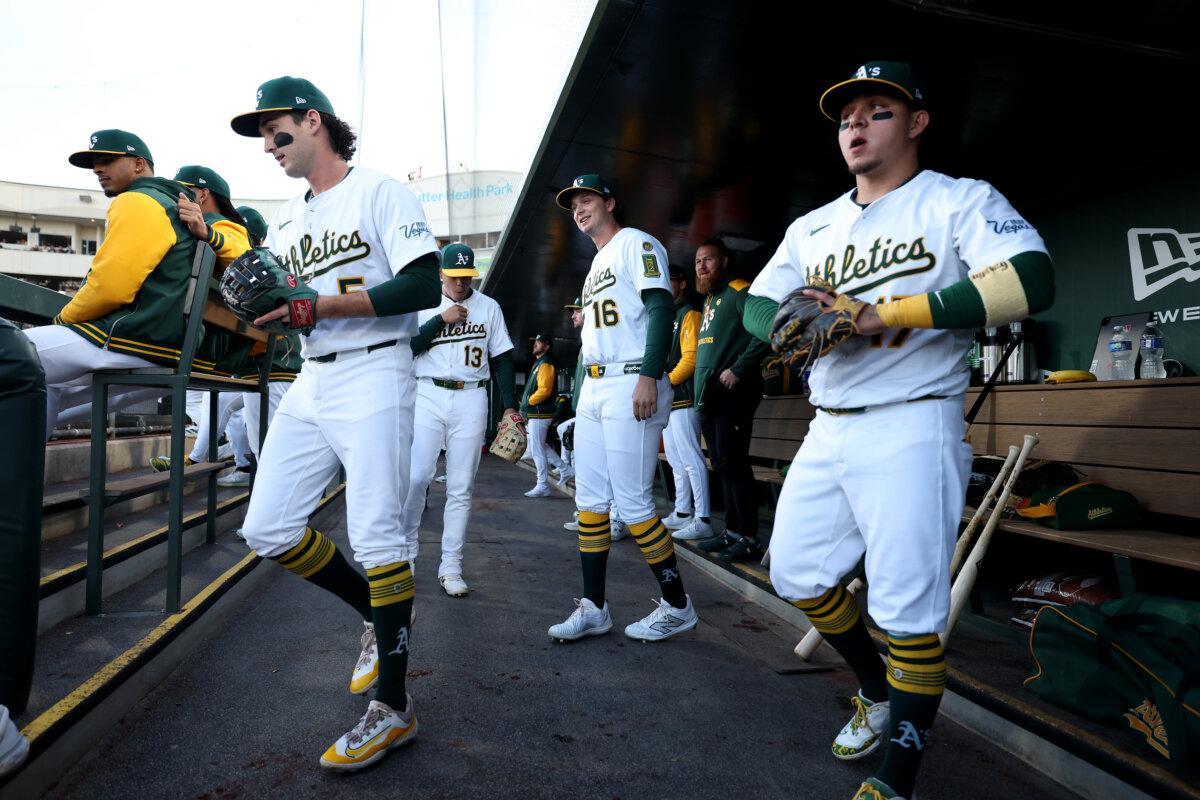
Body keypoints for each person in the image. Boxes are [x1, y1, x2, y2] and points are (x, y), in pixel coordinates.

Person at [743, 62, 1054, 800]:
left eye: (877, 111)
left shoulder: (956, 201)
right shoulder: (812, 225)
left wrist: (880, 313)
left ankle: (898, 779)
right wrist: (794, 323)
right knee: (794, 572)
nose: (855, 125)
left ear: (916, 123)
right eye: (847, 116)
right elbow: (755, 307)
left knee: (907, 611)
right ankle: (877, 691)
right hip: (831, 424)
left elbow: (1031, 280)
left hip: (914, 421)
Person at [229, 75, 441, 771]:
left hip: (376, 369)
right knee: (268, 527)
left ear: (312, 119)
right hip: (314, 377)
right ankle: (370, 619)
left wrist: (312, 307)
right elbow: (289, 304)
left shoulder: (379, 190)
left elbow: (422, 285)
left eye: (275, 128)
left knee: (378, 533)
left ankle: (394, 707)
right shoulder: (286, 221)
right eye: (261, 135)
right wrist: (272, 310)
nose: (268, 143)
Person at [548, 173, 698, 643]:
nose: (579, 208)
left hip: (632, 378)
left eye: (587, 199)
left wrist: (649, 375)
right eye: (573, 204)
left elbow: (660, 308)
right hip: (596, 385)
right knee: (590, 503)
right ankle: (594, 607)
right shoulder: (596, 264)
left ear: (611, 202)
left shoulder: (636, 243)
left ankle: (678, 606)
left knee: (633, 504)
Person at [25, 130, 197, 439]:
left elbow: (111, 288)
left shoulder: (140, 200)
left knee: (11, 352)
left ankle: (18, 478)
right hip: (167, 345)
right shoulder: (174, 203)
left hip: (136, 336)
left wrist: (63, 320)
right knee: (46, 384)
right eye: (94, 164)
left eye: (107, 160)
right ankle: (21, 479)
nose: (97, 170)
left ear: (138, 164)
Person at [400, 243, 519, 598]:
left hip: (471, 396)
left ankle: (450, 565)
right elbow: (409, 348)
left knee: (461, 487)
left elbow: (501, 360)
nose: (461, 284)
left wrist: (510, 408)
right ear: (441, 273)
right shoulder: (423, 303)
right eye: (454, 277)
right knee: (418, 475)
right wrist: (441, 319)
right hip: (428, 393)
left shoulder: (488, 307)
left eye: (466, 277)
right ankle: (405, 555)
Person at [147, 166, 253, 475]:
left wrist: (208, 233)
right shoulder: (196, 224)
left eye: (184, 188)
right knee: (218, 405)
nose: (175, 193)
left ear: (202, 194)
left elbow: (244, 256)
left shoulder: (217, 224)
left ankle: (215, 460)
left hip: (221, 354)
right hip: (217, 352)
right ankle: (221, 459)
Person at [691, 237, 772, 562]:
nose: (702, 266)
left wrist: (738, 369)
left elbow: (764, 331)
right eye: (698, 261)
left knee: (735, 464)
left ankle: (750, 537)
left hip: (734, 392)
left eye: (708, 259)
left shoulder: (739, 290)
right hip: (712, 395)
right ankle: (733, 532)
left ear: (724, 261)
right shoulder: (709, 301)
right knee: (722, 464)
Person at [558, 297, 626, 543]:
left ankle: (616, 519)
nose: (573, 317)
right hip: (587, 409)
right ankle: (592, 515)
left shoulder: (603, 338)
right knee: (591, 467)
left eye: (576, 311)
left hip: (609, 406)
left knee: (612, 466)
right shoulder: (586, 342)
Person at [660, 263, 712, 541]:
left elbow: (691, 358)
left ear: (681, 283)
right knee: (676, 460)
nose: (665, 285)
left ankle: (703, 517)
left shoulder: (688, 312)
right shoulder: (670, 314)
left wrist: (665, 384)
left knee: (691, 459)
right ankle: (682, 511)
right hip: (671, 400)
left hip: (684, 397)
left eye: (670, 280)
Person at [520, 333, 566, 497]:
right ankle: (564, 468)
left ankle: (543, 485)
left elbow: (544, 390)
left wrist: (529, 402)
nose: (535, 344)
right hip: (537, 413)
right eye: (535, 342)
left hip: (540, 412)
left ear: (547, 346)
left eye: (539, 342)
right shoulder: (539, 363)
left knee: (537, 449)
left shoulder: (545, 363)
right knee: (539, 446)